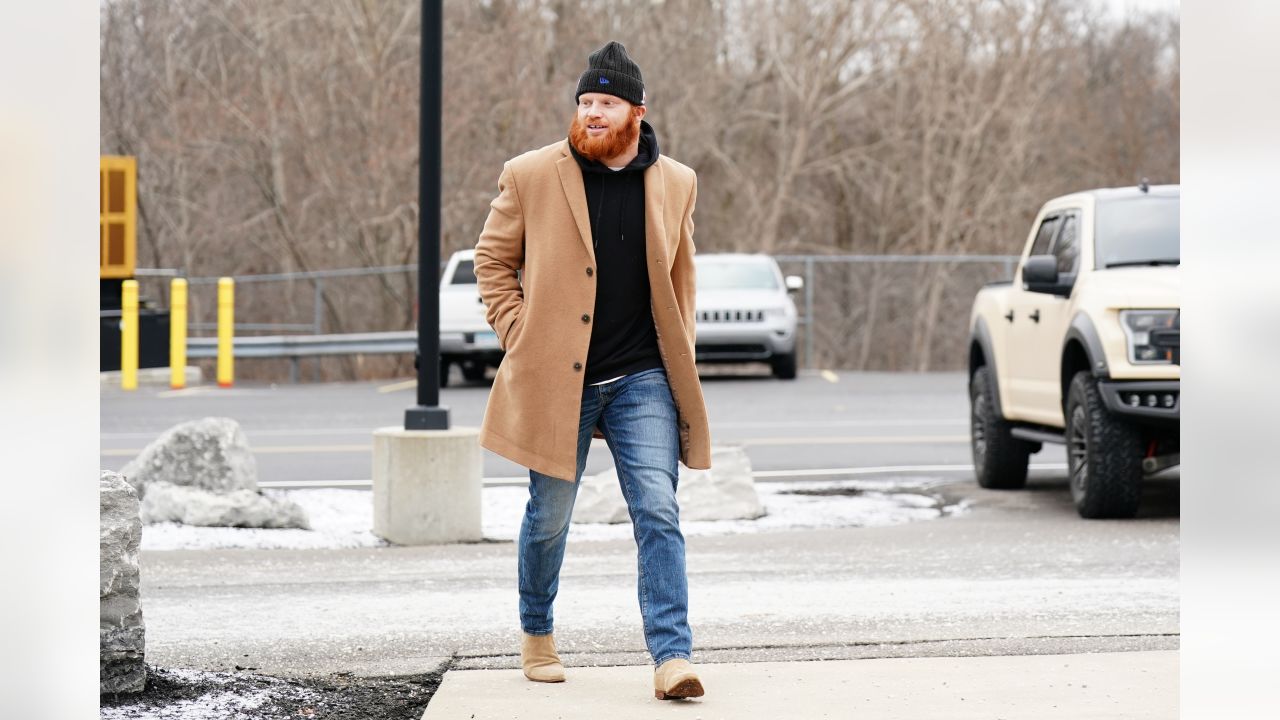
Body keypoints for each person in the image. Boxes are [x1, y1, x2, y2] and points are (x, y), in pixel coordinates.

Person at [472, 40, 711, 700]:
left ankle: (672, 657)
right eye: (585, 102)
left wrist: (678, 354)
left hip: (642, 376)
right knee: (549, 514)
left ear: (637, 111)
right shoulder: (530, 174)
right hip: (558, 379)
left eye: (606, 102)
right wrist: (522, 337)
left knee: (658, 511)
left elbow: (682, 282)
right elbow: (491, 265)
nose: (593, 113)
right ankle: (538, 631)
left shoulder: (678, 183)